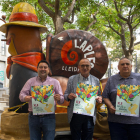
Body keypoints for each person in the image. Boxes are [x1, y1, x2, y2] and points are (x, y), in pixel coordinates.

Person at [19, 60, 64, 140]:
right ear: (37, 69)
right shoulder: (30, 81)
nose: (43, 69)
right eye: (41, 67)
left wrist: (59, 98)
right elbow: (21, 95)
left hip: (49, 117)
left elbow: (62, 99)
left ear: (48, 70)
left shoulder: (55, 82)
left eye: (45, 67)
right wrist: (26, 98)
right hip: (34, 117)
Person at [102, 57, 140, 140]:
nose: (125, 66)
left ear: (131, 66)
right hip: (116, 123)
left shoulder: (139, 78)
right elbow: (105, 96)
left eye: (127, 64)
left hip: (136, 122)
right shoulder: (111, 79)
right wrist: (110, 106)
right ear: (118, 67)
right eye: (122, 64)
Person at [64, 58, 102, 140]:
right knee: (75, 137)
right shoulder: (72, 79)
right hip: (75, 115)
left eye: (87, 65)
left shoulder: (96, 80)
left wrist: (99, 98)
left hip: (89, 115)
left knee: (88, 137)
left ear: (90, 67)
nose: (85, 67)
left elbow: (99, 95)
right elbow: (65, 94)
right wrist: (68, 96)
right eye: (82, 65)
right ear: (79, 67)